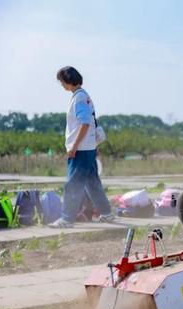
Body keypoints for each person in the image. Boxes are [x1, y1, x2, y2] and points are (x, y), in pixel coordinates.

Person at [49, 66, 114, 228]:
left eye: (61, 82)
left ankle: (66, 219)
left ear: (68, 80)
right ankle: (107, 213)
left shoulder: (78, 98)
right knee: (93, 183)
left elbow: (84, 123)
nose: (61, 85)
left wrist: (74, 146)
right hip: (88, 148)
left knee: (72, 184)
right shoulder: (84, 96)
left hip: (81, 149)